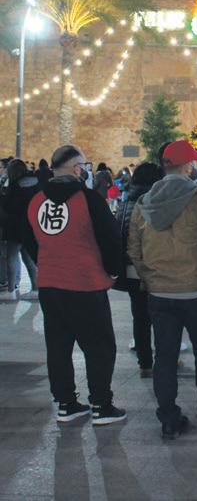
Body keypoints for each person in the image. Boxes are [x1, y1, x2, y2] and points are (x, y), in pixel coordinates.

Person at [127, 139, 197, 439]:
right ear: (187, 166)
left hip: (160, 293)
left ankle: (169, 418)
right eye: (194, 162)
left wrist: (150, 278)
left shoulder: (144, 202)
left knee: (164, 357)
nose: (196, 166)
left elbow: (134, 248)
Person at [25, 145, 126, 425]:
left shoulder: (35, 200)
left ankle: (66, 403)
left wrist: (48, 261)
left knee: (58, 345)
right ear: (76, 168)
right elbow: (110, 237)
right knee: (98, 346)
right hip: (85, 282)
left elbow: (30, 239)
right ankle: (101, 404)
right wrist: (114, 271)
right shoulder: (89, 199)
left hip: (50, 283)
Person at [114, 161, 164, 376]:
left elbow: (119, 233)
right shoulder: (157, 203)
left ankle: (145, 364)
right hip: (157, 268)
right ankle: (164, 359)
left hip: (132, 268)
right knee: (162, 316)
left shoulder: (126, 201)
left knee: (140, 317)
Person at [0, 159, 39, 300]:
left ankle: (11, 290)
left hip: (15, 227)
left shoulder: (15, 186)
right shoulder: (34, 184)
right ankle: (35, 289)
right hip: (30, 226)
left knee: (11, 258)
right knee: (29, 259)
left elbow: (10, 207)